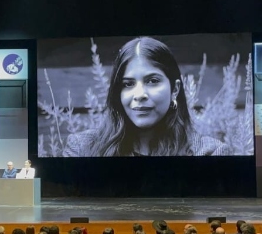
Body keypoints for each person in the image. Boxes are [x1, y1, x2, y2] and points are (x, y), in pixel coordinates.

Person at [63, 36, 232, 157]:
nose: (140, 95)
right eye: (128, 84)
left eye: (152, 81)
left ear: (175, 89)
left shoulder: (209, 153)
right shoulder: (83, 148)